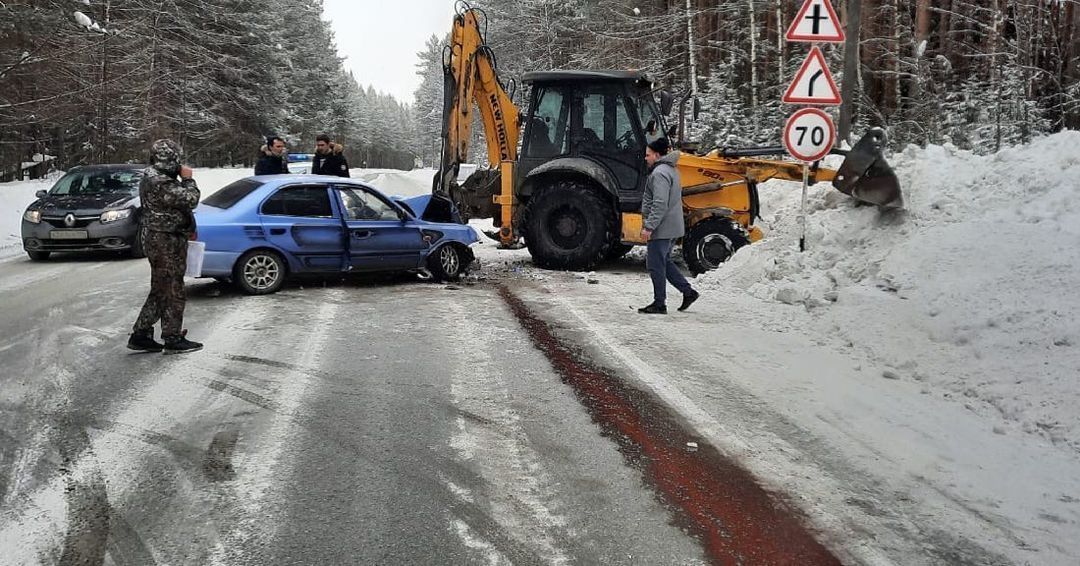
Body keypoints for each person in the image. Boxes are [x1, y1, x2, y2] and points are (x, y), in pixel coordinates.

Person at [128, 139, 203, 354]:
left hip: (162, 237)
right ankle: (172, 337)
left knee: (161, 288)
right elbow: (190, 199)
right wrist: (188, 179)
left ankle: (141, 333)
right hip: (165, 240)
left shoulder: (153, 176)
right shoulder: (160, 181)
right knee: (173, 288)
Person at [638, 137, 700, 315]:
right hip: (671, 226)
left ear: (657, 155)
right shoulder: (671, 170)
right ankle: (688, 292)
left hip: (662, 228)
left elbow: (660, 203)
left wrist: (649, 226)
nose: (646, 158)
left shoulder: (659, 174)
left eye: (648, 155)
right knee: (663, 261)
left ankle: (659, 304)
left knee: (655, 265)